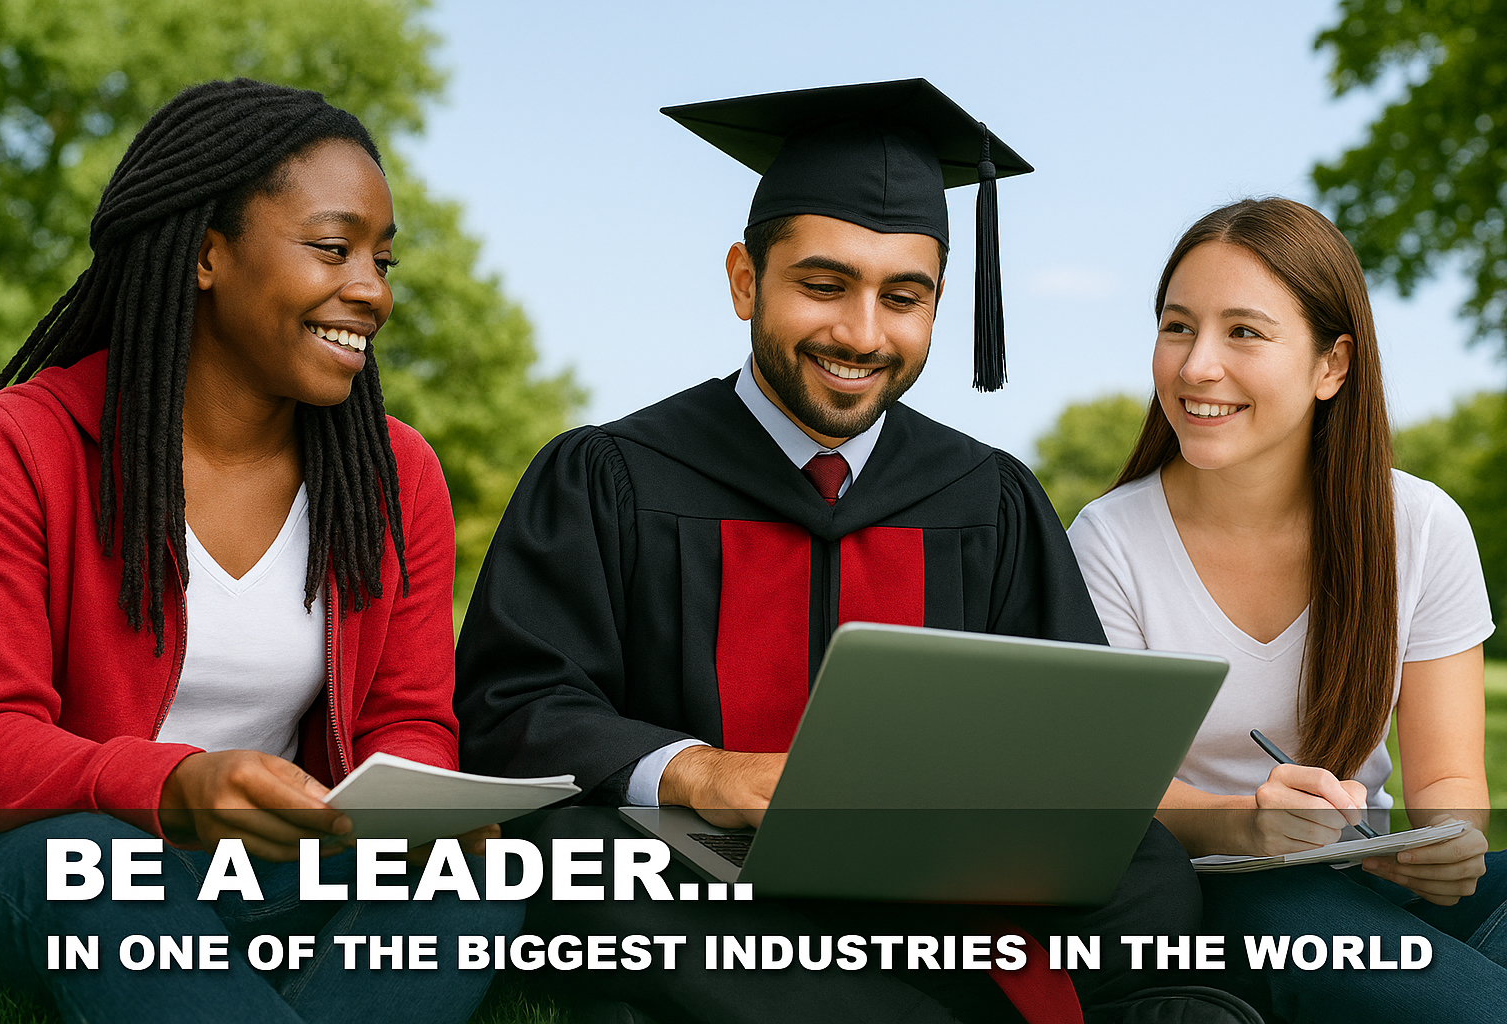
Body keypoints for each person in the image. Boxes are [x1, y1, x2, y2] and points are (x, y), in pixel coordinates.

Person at [455, 80, 1224, 1024]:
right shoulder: (609, 475)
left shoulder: (986, 497)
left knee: (1140, 867)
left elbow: (1074, 740)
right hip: (698, 872)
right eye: (824, 285)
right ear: (746, 279)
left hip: (933, 875)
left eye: (904, 297)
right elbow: (515, 705)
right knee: (583, 860)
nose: (861, 334)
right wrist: (701, 771)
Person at [0, 79, 520, 1024]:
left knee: (473, 885)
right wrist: (175, 784)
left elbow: (409, 719)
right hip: (62, 860)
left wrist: (421, 810)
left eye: (383, 261)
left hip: (285, 865)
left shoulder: (394, 476)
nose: (372, 291)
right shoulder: (19, 447)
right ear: (206, 255)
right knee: (111, 869)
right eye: (332, 248)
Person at [1068, 197, 1507, 1022]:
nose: (1197, 366)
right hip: (1221, 896)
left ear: (1332, 365)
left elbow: (1449, 778)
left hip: (1368, 875)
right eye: (1177, 327)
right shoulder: (1109, 540)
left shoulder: (1418, 526)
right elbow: (1115, 792)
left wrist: (1447, 844)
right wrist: (1246, 824)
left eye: (1244, 332)